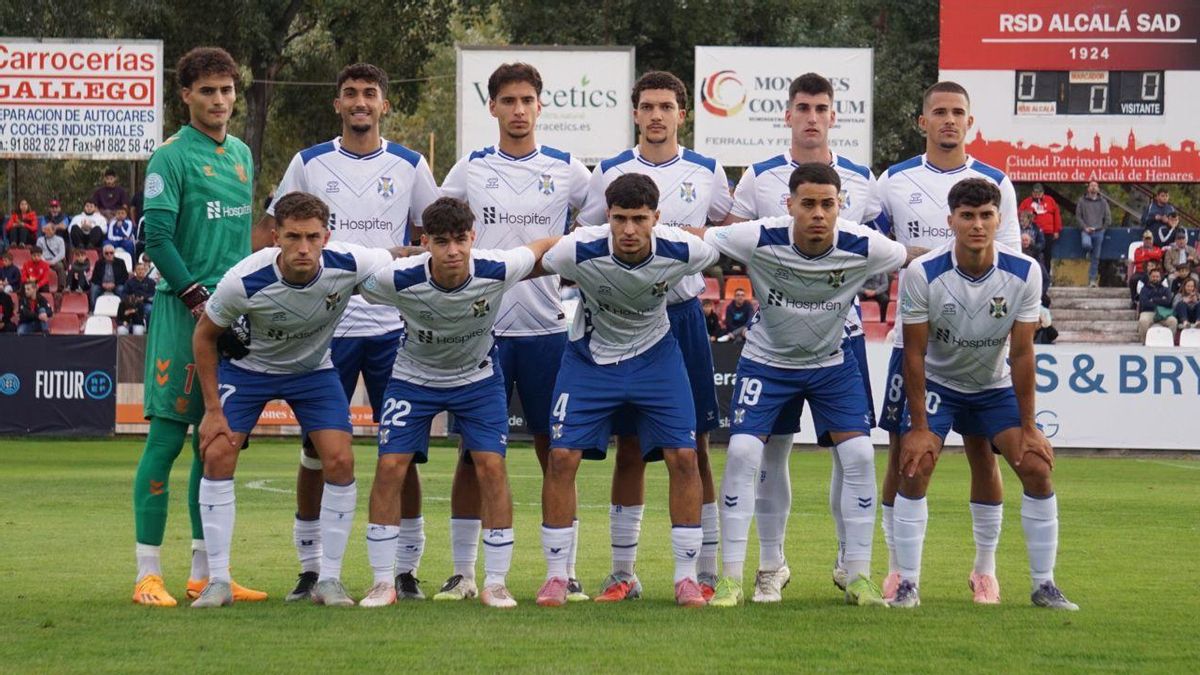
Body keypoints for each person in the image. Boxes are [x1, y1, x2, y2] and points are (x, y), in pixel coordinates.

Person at [261, 62, 440, 603]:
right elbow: (273, 233)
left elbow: (434, 235)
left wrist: (408, 266)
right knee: (316, 452)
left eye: (370, 93)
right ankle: (310, 568)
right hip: (326, 329)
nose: (360, 101)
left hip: (392, 329)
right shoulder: (308, 162)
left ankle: (406, 569)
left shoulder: (410, 164)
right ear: (337, 103)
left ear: (385, 103)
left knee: (402, 455)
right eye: (350, 93)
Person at [700, 162, 907, 608]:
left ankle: (858, 576)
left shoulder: (864, 244)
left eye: (827, 204)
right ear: (789, 204)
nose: (818, 213)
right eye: (808, 203)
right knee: (743, 452)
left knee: (858, 455)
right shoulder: (758, 236)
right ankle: (733, 578)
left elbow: (908, 255)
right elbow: (701, 239)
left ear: (840, 206)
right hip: (767, 362)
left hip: (832, 363)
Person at [189, 192, 393, 608]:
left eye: (313, 237)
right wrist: (211, 410)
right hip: (248, 371)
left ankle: (329, 580)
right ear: (276, 238)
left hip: (312, 371)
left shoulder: (349, 262)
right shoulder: (243, 280)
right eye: (294, 237)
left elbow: (396, 257)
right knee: (217, 453)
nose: (304, 247)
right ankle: (218, 581)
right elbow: (204, 336)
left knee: (340, 460)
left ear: (326, 237)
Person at [725, 72, 885, 600]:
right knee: (770, 452)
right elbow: (731, 242)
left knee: (850, 453)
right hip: (776, 337)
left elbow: (876, 248)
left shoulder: (862, 178)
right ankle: (771, 564)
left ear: (834, 116)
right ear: (788, 115)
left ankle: (849, 560)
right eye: (803, 108)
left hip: (842, 337)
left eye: (821, 108)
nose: (812, 117)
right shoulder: (759, 176)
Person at [576, 71, 732, 601]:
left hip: (682, 316)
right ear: (635, 114)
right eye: (648, 106)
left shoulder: (708, 171)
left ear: (682, 114)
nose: (657, 115)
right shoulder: (610, 170)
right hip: (623, 318)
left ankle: (704, 571)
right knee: (629, 447)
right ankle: (623, 573)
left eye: (667, 106)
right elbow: (588, 233)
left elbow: (726, 231)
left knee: (695, 446)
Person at [358, 197, 559, 608]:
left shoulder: (497, 267)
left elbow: (542, 247)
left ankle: (496, 582)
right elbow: (351, 277)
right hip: (413, 379)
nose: (453, 251)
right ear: (425, 243)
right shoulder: (397, 279)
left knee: (491, 466)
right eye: (442, 242)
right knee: (390, 466)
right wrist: (393, 252)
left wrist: (601, 239)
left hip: (477, 379)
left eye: (460, 240)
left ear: (473, 238)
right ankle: (381, 582)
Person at [439, 62, 592, 602]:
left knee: (558, 451)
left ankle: (563, 570)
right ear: (493, 107)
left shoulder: (568, 169)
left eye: (528, 100)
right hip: (482, 331)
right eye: (509, 100)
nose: (519, 110)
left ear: (540, 105)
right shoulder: (471, 168)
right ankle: (463, 573)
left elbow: (598, 225)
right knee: (471, 454)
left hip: (547, 330)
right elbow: (437, 226)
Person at [891, 177, 1077, 611]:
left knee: (1036, 467)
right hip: (939, 384)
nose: (977, 224)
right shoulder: (923, 272)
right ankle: (907, 584)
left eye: (986, 215)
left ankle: (1044, 584)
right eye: (967, 216)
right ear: (951, 221)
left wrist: (1029, 427)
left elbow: (1023, 352)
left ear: (999, 219)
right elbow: (914, 353)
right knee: (915, 468)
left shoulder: (1025, 271)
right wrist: (918, 427)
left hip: (992, 386)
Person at [536, 173, 720, 608]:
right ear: (608, 217)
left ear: (657, 218)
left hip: (657, 357)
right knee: (561, 457)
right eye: (620, 219)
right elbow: (532, 259)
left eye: (640, 219)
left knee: (685, 456)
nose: (629, 230)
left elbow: (726, 244)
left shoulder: (684, 249)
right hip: (591, 360)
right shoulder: (578, 249)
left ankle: (686, 578)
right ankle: (557, 576)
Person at [874, 81, 1022, 605]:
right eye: (939, 112)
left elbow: (1012, 260)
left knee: (983, 451)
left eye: (958, 112)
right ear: (923, 121)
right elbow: (873, 248)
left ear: (970, 121)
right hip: (913, 337)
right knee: (904, 454)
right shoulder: (893, 180)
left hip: (980, 342)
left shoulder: (996, 182)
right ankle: (898, 568)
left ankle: (985, 570)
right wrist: (908, 256)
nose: (949, 120)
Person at [130, 47, 263, 608]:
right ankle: (147, 574)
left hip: (230, 311)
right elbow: (157, 239)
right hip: (181, 313)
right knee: (166, 440)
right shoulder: (170, 157)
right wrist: (194, 298)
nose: (218, 100)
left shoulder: (241, 155)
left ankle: (205, 573)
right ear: (185, 95)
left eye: (226, 90)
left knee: (213, 444)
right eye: (207, 90)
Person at [1018, 183, 1061, 271]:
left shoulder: (1050, 200)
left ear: (1043, 193)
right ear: (1032, 193)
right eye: (1035, 193)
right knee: (1032, 253)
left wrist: (1056, 230)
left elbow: (1056, 215)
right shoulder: (1026, 202)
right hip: (1033, 232)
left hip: (1047, 231)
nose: (1037, 195)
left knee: (1047, 254)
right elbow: (1019, 214)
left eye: (1039, 193)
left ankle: (1046, 274)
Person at [1075, 181, 1110, 287]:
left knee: (1096, 257)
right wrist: (1085, 227)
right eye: (1091, 186)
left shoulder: (1103, 202)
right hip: (1086, 231)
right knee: (1086, 244)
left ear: (1098, 188)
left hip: (1099, 231)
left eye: (1095, 186)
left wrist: (1103, 229)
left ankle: (1092, 280)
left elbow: (1108, 218)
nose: (1093, 188)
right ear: (1088, 188)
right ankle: (1088, 251)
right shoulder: (1082, 201)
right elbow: (1078, 216)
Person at [118, 262, 157, 334]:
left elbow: (153, 294)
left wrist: (144, 298)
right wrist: (133, 299)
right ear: (135, 271)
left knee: (150, 309)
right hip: (132, 304)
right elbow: (124, 294)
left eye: (142, 269)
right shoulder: (129, 282)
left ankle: (150, 331)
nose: (140, 271)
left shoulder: (151, 282)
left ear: (145, 270)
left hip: (145, 303)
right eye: (138, 269)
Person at [1129, 231, 1163, 305]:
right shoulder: (1138, 250)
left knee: (1162, 279)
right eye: (1146, 239)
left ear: (1152, 240)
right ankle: (1134, 301)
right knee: (1133, 279)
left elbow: (1158, 255)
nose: (1148, 241)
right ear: (1143, 240)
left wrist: (1145, 255)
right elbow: (1138, 259)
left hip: (1154, 271)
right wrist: (1151, 255)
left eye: (1149, 239)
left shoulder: (1157, 249)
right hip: (1140, 271)